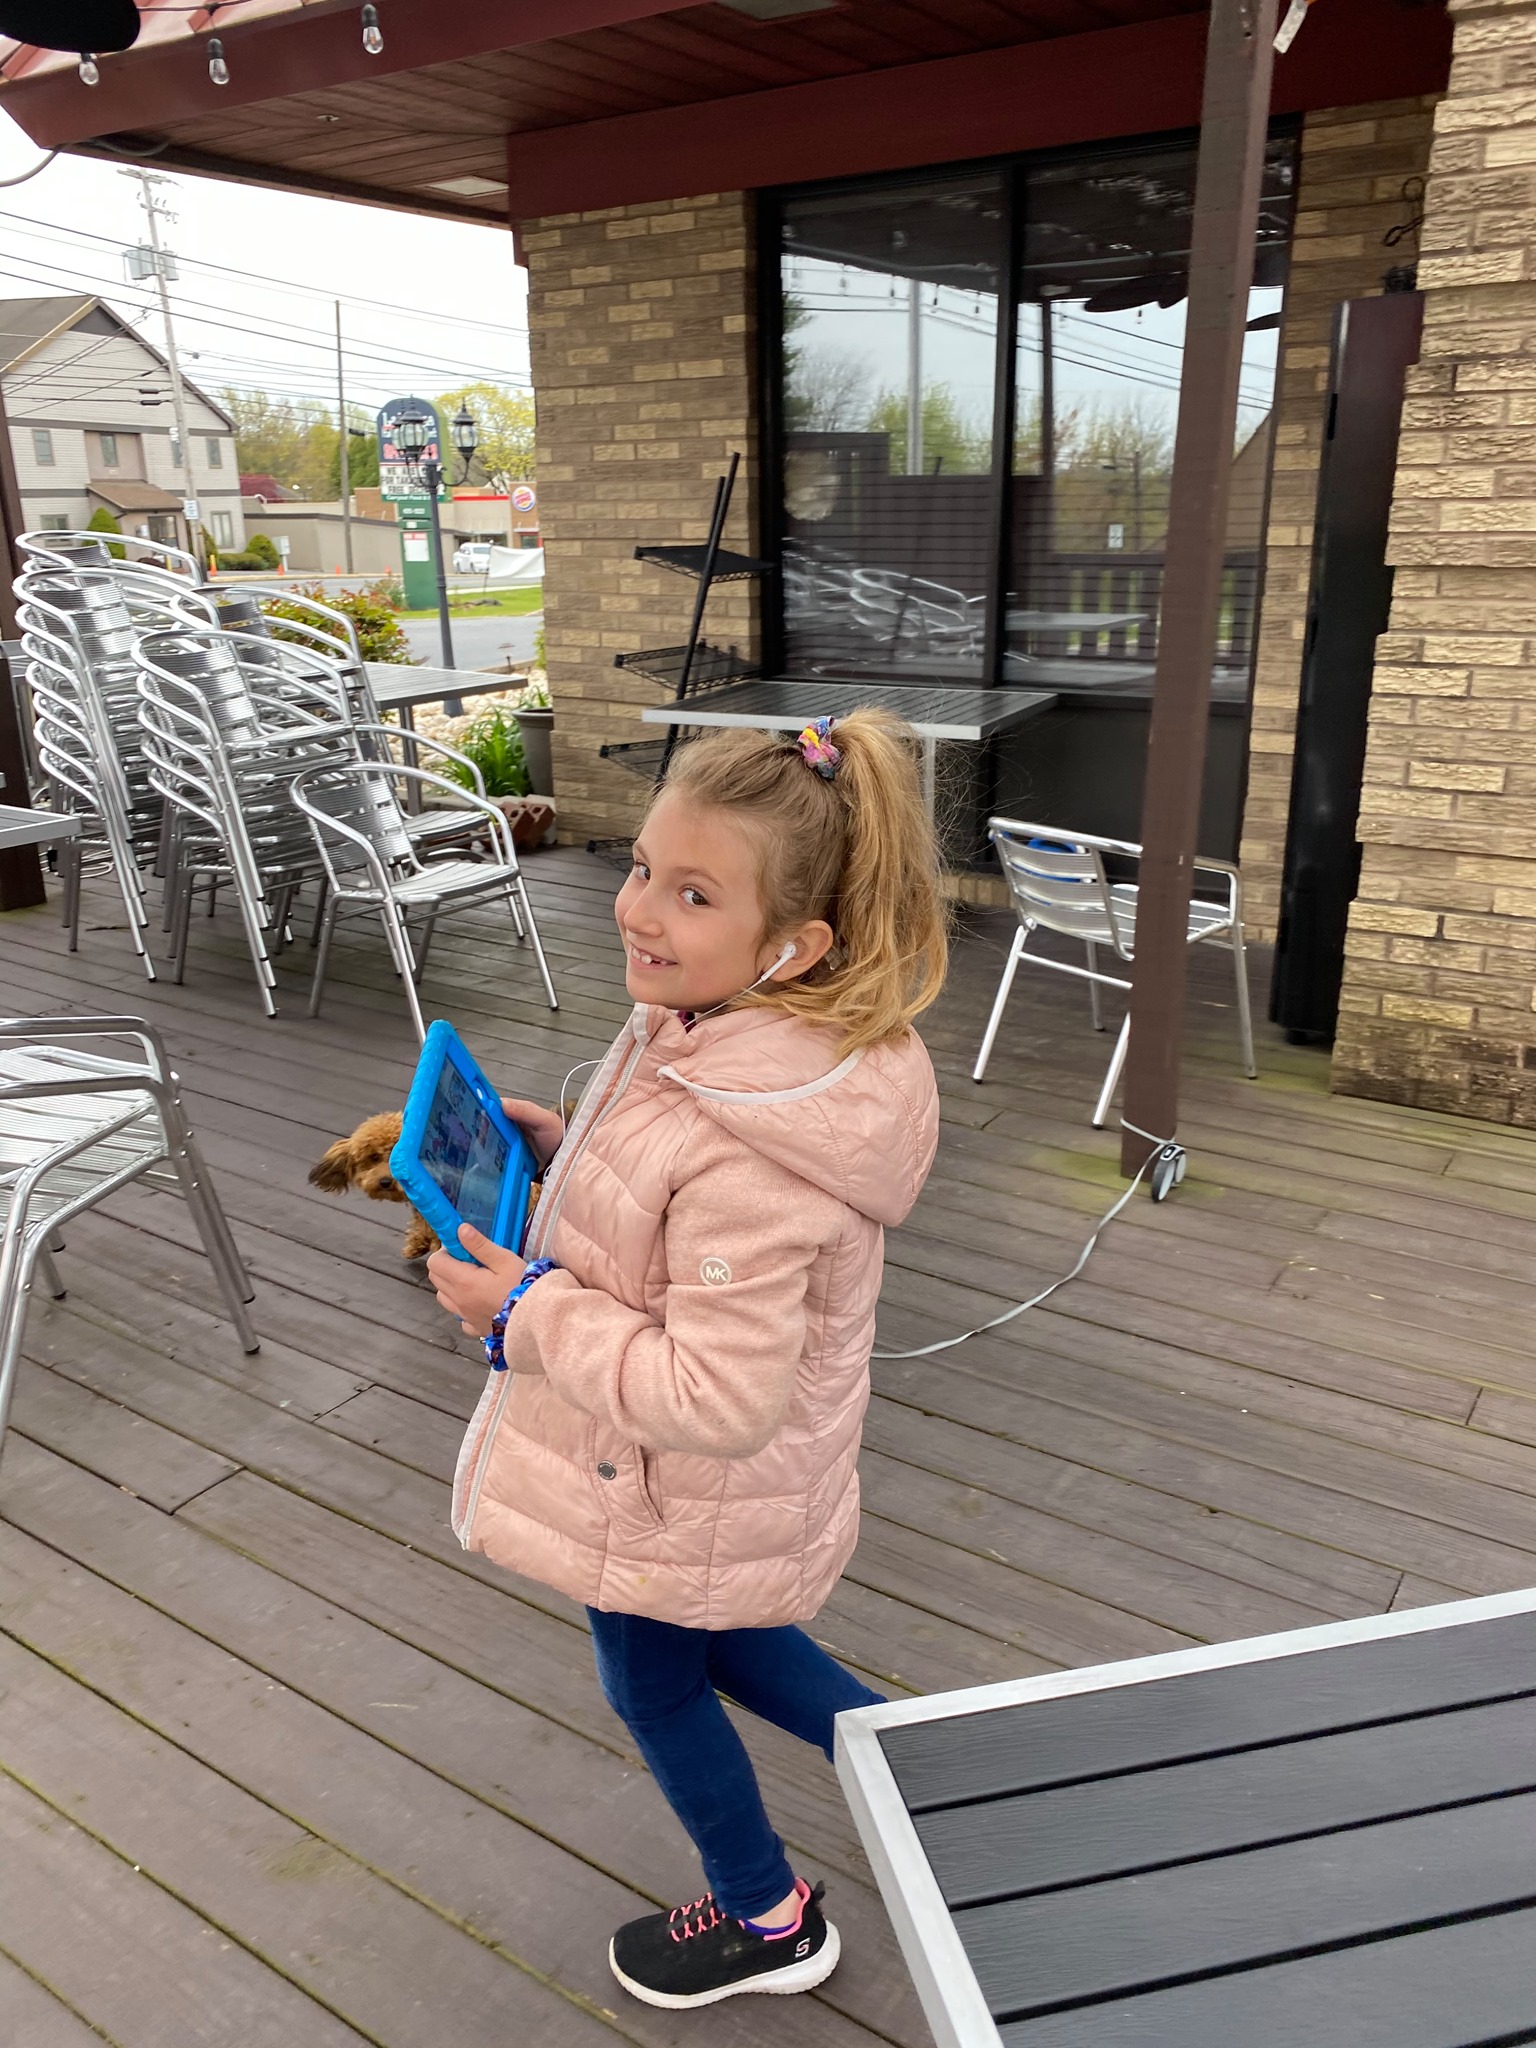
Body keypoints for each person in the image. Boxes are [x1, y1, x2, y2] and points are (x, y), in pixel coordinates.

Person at [427, 709, 946, 2010]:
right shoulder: (734, 1030)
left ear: (793, 945)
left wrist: (524, 1311)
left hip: (666, 1481)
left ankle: (771, 1918)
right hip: (683, 1486)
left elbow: (714, 1395)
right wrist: (563, 1160)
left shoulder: (749, 1144)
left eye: (695, 893)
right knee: (727, 1640)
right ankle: (937, 1767)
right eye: (643, 867)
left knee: (654, 1683)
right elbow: (672, 1220)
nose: (641, 909)